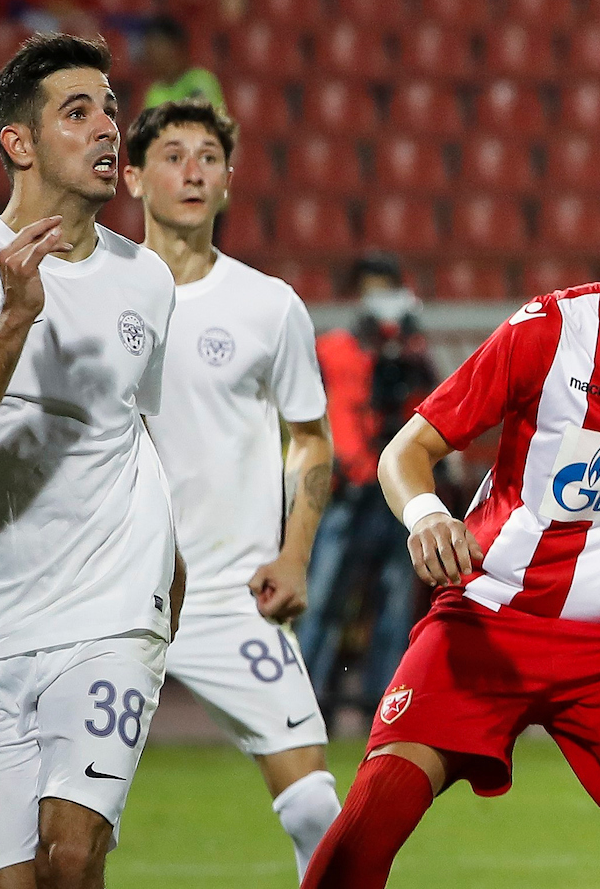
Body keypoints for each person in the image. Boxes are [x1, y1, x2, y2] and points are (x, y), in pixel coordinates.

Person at [301, 131, 600, 889]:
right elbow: (404, 452)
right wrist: (425, 516)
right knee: (376, 808)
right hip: (490, 618)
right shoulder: (551, 331)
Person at [0, 33, 185, 889]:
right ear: (18, 142)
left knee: (72, 852)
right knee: (10, 883)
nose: (106, 129)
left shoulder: (146, 281)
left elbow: (135, 430)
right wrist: (15, 319)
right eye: (76, 111)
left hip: (106, 613)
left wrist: (171, 561)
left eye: (111, 110)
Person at [123, 97, 340, 876]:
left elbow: (311, 439)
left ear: (228, 182)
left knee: (318, 806)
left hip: (227, 598)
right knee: (51, 836)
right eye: (173, 154)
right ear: (133, 177)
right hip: (109, 598)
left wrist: (296, 555)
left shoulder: (268, 306)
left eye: (208, 157)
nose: (192, 170)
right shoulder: (90, 292)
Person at [298, 253, 435, 722]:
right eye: (373, 289)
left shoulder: (413, 353)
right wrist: (348, 464)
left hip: (394, 492)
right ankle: (301, 702)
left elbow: (425, 413)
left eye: (388, 288)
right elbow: (324, 414)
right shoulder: (334, 348)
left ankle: (385, 706)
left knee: (395, 605)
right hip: (347, 488)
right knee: (322, 600)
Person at [139, 14, 227, 112]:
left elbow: (208, 122)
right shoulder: (153, 93)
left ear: (176, 48)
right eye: (149, 52)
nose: (151, 58)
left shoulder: (200, 81)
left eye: (156, 49)